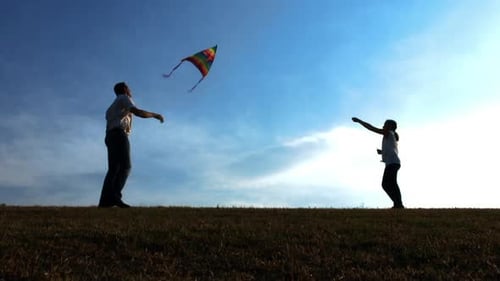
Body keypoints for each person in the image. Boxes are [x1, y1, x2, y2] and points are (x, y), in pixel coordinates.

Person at [99, 82, 164, 208]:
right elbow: (138, 112)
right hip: (118, 135)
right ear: (124, 89)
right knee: (125, 167)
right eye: (129, 88)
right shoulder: (124, 98)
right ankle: (114, 197)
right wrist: (155, 115)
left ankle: (104, 202)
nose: (131, 90)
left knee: (113, 169)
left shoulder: (111, 107)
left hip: (109, 136)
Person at [352, 117, 404, 209]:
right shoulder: (391, 135)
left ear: (390, 127)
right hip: (392, 162)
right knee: (390, 184)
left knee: (387, 184)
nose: (383, 126)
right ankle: (398, 204)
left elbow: (372, 128)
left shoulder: (389, 133)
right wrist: (382, 152)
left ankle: (398, 204)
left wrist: (360, 121)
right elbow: (391, 149)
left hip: (392, 163)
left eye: (385, 124)